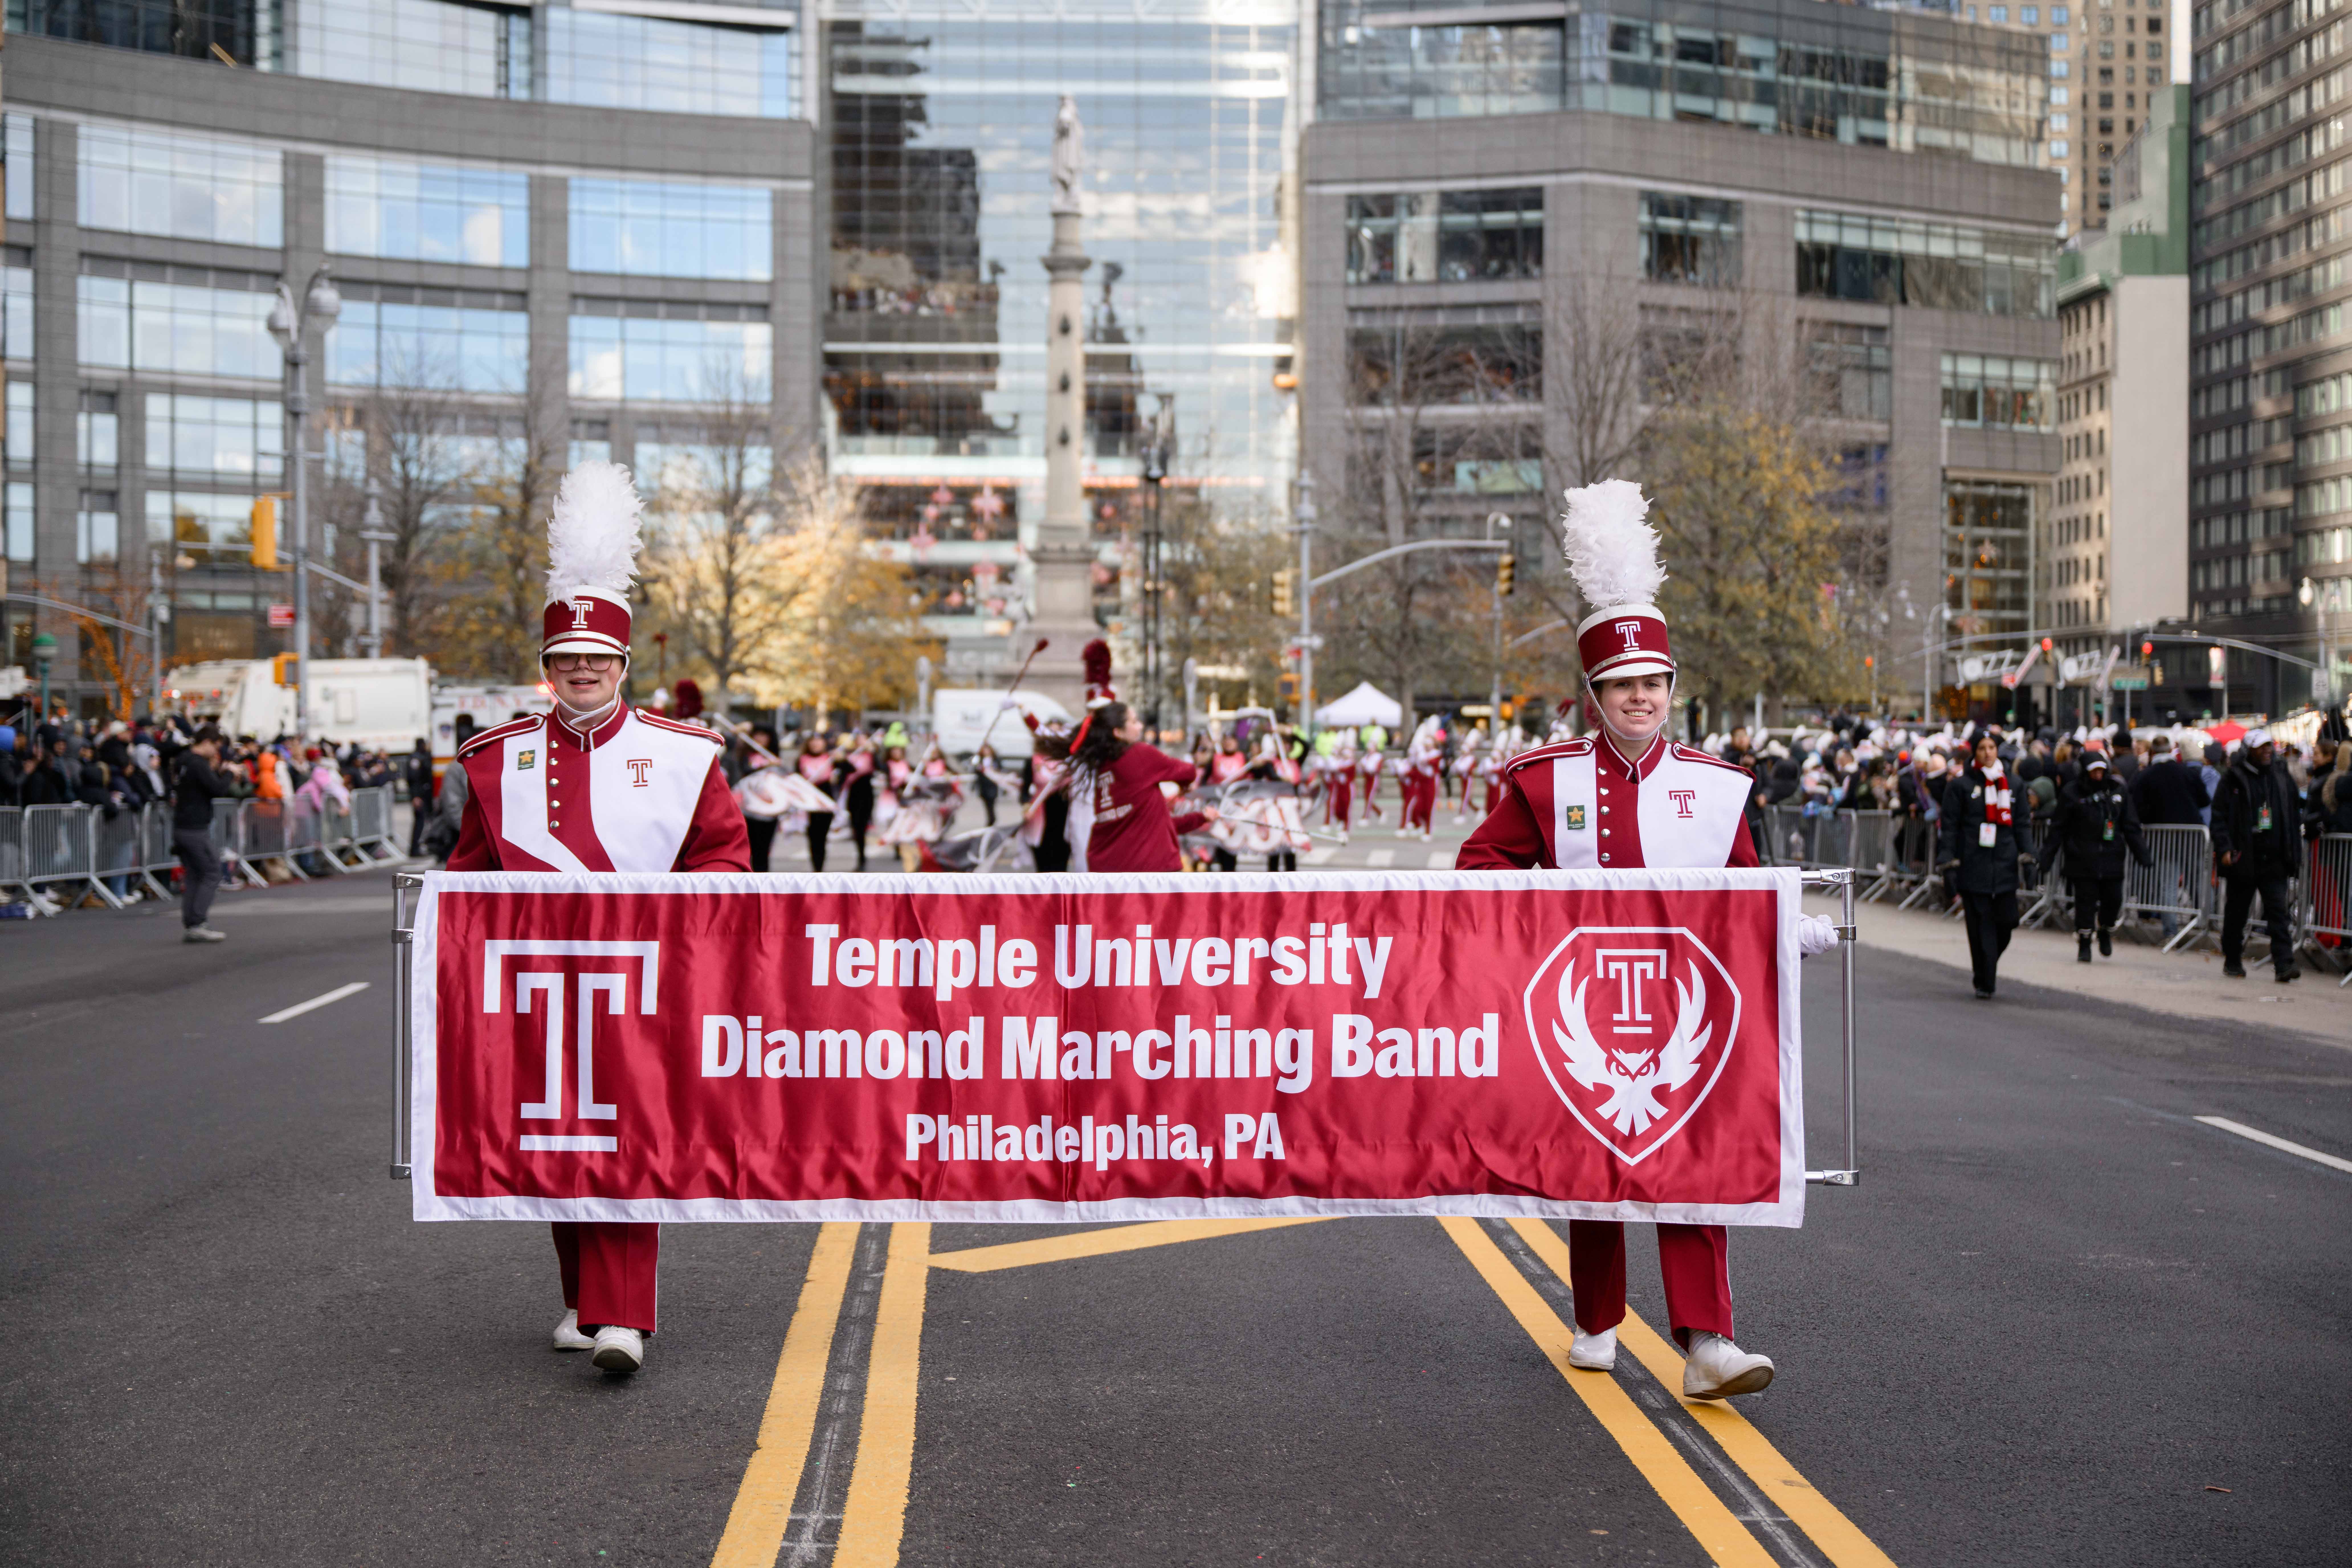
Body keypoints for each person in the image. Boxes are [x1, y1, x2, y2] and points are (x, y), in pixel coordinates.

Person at [1459, 478, 1835, 1403]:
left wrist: (1791, 923)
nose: (1639, 698)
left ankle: (1707, 1340)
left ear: (1672, 688)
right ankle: (1596, 1313)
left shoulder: (1716, 788)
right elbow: (1479, 867)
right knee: (1594, 1163)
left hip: (1686, 1004)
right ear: (1594, 694)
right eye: (1621, 685)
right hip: (1577, 996)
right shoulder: (1543, 782)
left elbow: (1746, 883)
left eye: (1652, 683)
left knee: (1688, 1165)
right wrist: (1527, 920)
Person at [444, 460, 751, 1377]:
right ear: (546, 669)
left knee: (630, 1138)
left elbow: (725, 858)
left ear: (623, 665)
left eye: (598, 660)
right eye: (565, 660)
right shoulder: (494, 761)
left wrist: (688, 934)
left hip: (646, 980)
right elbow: (468, 873)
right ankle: (583, 1298)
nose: (581, 671)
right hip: (533, 984)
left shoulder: (685, 753)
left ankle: (624, 1317)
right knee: (553, 1140)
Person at [1937, 732, 2037, 999]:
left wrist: (2029, 858)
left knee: (2008, 921)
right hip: (1973, 863)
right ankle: (1985, 979)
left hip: (2004, 864)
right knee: (1980, 924)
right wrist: (1947, 864)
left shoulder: (2015, 785)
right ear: (1975, 752)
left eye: (1992, 747)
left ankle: (1987, 966)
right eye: (1982, 748)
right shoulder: (1961, 785)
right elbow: (1949, 828)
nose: (1988, 753)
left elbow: (2023, 825)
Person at [1072, 699, 1215, 873]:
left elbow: (1156, 825)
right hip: (1148, 873)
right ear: (1118, 732)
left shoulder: (1103, 766)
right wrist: (1184, 782)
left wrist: (1200, 818)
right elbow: (1188, 772)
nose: (1140, 726)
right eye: (1134, 722)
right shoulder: (1139, 754)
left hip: (1108, 870)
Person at [2038, 750, 2152, 962]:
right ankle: (2084, 940)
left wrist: (2143, 854)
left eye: (2101, 771)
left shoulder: (2118, 791)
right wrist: (2046, 858)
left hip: (2112, 857)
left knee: (2113, 900)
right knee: (2085, 903)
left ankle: (2106, 930)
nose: (2098, 776)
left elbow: (2131, 826)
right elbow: (2058, 828)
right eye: (2094, 772)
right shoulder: (2072, 793)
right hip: (2082, 858)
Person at [2210, 727, 2303, 982]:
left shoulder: (2281, 775)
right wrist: (2226, 848)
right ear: (2249, 751)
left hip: (2275, 858)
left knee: (2278, 914)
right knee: (2237, 914)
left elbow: (2296, 810)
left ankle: (2284, 964)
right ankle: (2232, 959)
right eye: (2261, 747)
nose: (2267, 751)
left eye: (2269, 746)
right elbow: (2218, 817)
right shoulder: (2233, 779)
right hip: (2245, 857)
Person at [172, 726, 236, 942]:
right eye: (216, 747)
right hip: (195, 827)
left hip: (182, 824)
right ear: (208, 742)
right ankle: (198, 922)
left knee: (194, 876)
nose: (216, 754)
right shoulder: (198, 764)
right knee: (211, 873)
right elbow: (217, 789)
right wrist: (229, 774)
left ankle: (192, 923)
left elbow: (200, 787)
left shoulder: (183, 760)